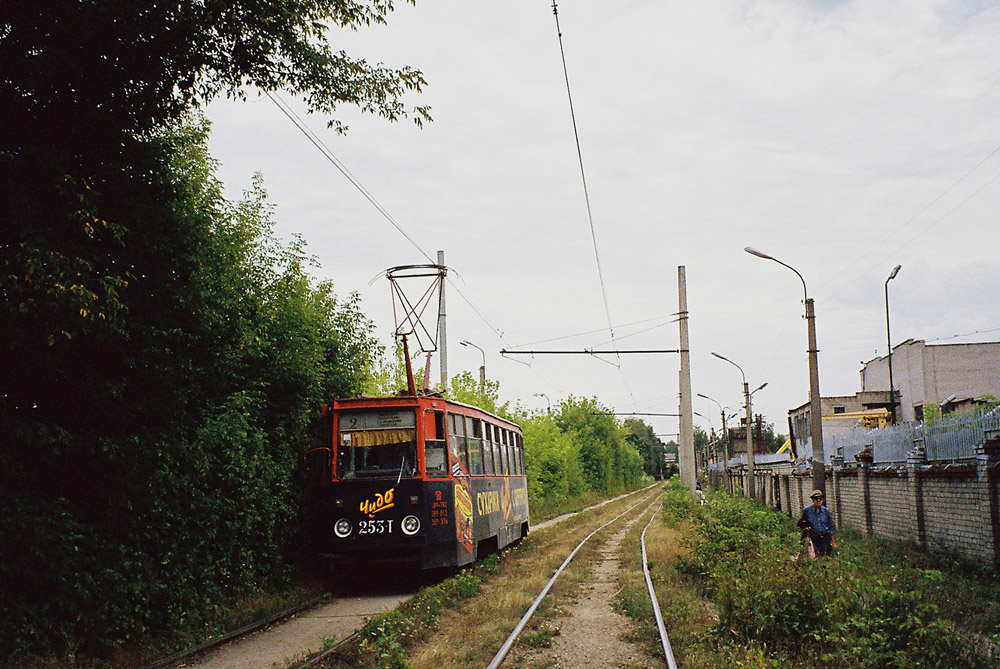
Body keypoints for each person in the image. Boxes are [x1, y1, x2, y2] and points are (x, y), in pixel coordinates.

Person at [797, 489, 835, 557]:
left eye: (820, 499)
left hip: (825, 538)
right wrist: (805, 527)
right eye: (816, 499)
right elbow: (801, 522)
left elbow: (830, 526)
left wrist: (833, 541)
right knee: (815, 557)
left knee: (826, 557)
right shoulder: (807, 511)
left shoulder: (825, 511)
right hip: (814, 539)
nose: (818, 500)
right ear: (813, 500)